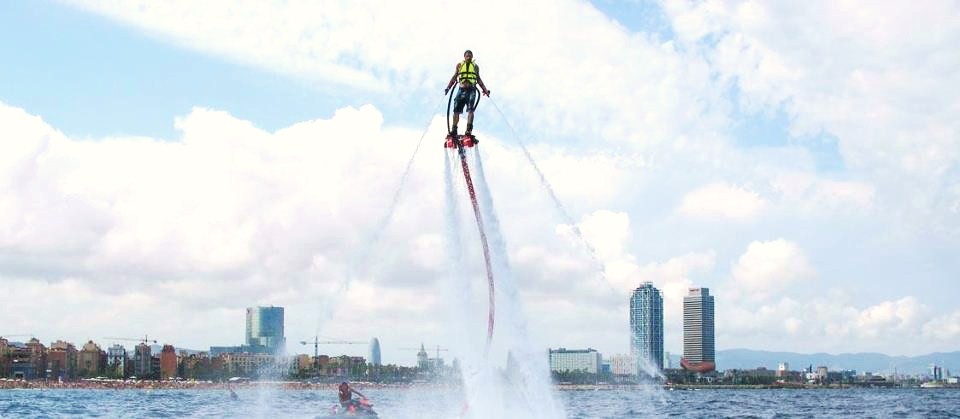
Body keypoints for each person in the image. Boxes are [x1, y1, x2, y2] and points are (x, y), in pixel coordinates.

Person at [444, 49, 491, 137]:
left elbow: (479, 79)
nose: (468, 57)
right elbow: (454, 77)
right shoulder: (459, 65)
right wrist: (448, 87)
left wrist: (485, 90)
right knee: (456, 111)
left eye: (470, 55)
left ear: (472, 57)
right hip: (461, 90)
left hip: (471, 90)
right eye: (467, 55)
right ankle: (454, 129)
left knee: (470, 110)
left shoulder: (475, 67)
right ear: (464, 57)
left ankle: (468, 130)